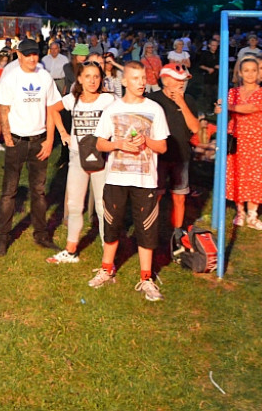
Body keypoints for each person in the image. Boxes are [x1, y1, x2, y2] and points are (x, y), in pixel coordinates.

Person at [88, 61, 170, 301]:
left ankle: (146, 278)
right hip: (116, 177)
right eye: (135, 78)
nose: (141, 82)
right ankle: (106, 269)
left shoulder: (155, 109)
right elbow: (100, 142)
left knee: (146, 229)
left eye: (143, 78)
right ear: (124, 81)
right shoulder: (112, 109)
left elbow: (163, 146)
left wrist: (146, 142)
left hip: (145, 180)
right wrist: (119, 144)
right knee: (112, 225)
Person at [0, 38, 63, 255]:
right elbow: (3, 109)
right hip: (16, 140)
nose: (33, 58)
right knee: (9, 192)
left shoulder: (44, 77)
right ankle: (3, 236)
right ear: (19, 55)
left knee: (39, 191)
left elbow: (52, 108)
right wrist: (7, 137)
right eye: (28, 54)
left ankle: (41, 234)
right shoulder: (11, 77)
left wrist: (50, 140)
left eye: (35, 54)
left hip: (39, 141)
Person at [51, 60, 115, 264]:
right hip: (77, 157)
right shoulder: (73, 99)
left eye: (96, 76)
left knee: (101, 205)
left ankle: (108, 255)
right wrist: (63, 133)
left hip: (101, 158)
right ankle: (70, 250)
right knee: (74, 204)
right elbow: (53, 109)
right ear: (79, 78)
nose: (92, 81)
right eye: (88, 76)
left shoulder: (108, 100)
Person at [147, 64, 200, 232]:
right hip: (158, 156)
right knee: (156, 194)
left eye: (183, 80)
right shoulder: (153, 99)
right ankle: (149, 228)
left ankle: (177, 232)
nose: (182, 83)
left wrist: (182, 103)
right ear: (166, 80)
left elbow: (195, 128)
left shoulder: (189, 100)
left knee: (180, 196)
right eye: (178, 80)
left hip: (181, 156)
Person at [226, 58, 262, 230]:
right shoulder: (233, 92)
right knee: (238, 173)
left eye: (254, 70)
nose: (250, 74)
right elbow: (226, 109)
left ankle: (253, 214)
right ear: (240, 73)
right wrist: (223, 107)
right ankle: (240, 212)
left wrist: (228, 106)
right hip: (237, 136)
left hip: (257, 139)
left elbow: (251, 108)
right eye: (246, 70)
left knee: (256, 174)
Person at [195, 38, 220, 114]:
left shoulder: (219, 54)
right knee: (208, 93)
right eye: (213, 45)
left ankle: (216, 108)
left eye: (216, 45)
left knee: (216, 94)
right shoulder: (205, 54)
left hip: (218, 77)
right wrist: (208, 69)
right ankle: (209, 109)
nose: (214, 47)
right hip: (208, 77)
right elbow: (200, 65)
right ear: (209, 45)